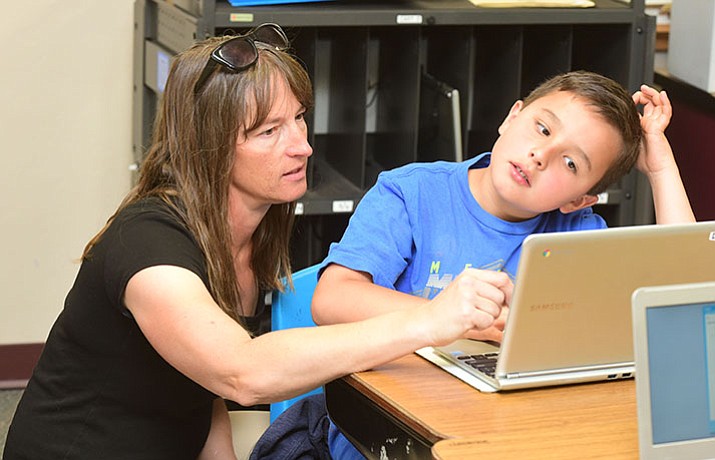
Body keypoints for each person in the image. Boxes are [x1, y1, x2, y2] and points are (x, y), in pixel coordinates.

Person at [2, 24, 510, 460]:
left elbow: (203, 391)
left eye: (299, 118)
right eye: (268, 131)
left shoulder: (249, 232)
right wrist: (431, 320)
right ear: (210, 147)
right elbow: (241, 373)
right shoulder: (149, 249)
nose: (303, 145)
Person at [311, 70, 695, 458]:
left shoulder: (576, 234)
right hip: (389, 430)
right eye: (542, 129)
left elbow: (686, 307)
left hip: (513, 433)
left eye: (571, 163)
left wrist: (661, 169)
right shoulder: (412, 192)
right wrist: (449, 316)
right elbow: (332, 300)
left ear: (579, 200)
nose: (540, 156)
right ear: (512, 117)